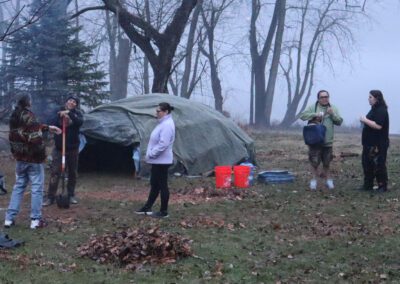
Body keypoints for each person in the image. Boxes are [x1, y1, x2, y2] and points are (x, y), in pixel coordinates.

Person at [4, 95, 61, 229]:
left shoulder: (15, 115)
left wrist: (47, 127)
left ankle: (9, 219)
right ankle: (35, 220)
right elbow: (34, 137)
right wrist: (42, 152)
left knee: (18, 187)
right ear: (28, 102)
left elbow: (25, 130)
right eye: (30, 99)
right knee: (37, 189)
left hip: (20, 158)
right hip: (33, 159)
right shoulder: (29, 115)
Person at [135, 102, 175, 218]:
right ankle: (147, 207)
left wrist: (152, 154)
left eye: (159, 111)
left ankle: (163, 211)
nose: (156, 113)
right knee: (155, 184)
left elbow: (163, 144)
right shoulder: (162, 123)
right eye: (157, 111)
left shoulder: (167, 125)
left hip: (162, 161)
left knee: (162, 186)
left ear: (166, 112)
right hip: (158, 160)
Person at [44, 95, 83, 206]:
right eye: (70, 100)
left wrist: (69, 113)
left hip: (72, 149)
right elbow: (50, 122)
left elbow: (79, 122)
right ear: (66, 102)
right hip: (59, 148)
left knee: (72, 173)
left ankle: (70, 195)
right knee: (55, 172)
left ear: (76, 104)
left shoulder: (77, 113)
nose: (71, 102)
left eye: (74, 102)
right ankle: (50, 197)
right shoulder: (58, 111)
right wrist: (59, 115)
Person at [300, 90, 343, 190]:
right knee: (314, 162)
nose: (325, 99)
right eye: (322, 97)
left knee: (327, 162)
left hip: (327, 141)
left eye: (326, 97)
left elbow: (339, 122)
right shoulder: (313, 107)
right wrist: (315, 115)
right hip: (314, 141)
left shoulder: (333, 108)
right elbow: (302, 116)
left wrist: (332, 114)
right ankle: (313, 181)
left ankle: (328, 180)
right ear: (318, 98)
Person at [359, 90, 389, 192]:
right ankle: (368, 185)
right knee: (367, 164)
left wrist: (365, 120)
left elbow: (378, 126)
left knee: (378, 165)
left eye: (370, 97)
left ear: (377, 98)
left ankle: (382, 186)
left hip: (378, 144)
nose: (368, 99)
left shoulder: (381, 110)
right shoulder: (373, 109)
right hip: (368, 143)